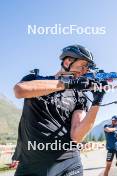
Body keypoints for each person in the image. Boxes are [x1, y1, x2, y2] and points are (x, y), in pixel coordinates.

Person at [12, 44, 106, 176]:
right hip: (31, 164)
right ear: (67, 61)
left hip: (69, 162)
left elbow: (76, 136)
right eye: (82, 65)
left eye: (87, 68)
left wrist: (97, 102)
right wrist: (67, 83)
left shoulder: (79, 95)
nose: (85, 71)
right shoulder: (35, 79)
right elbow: (19, 90)